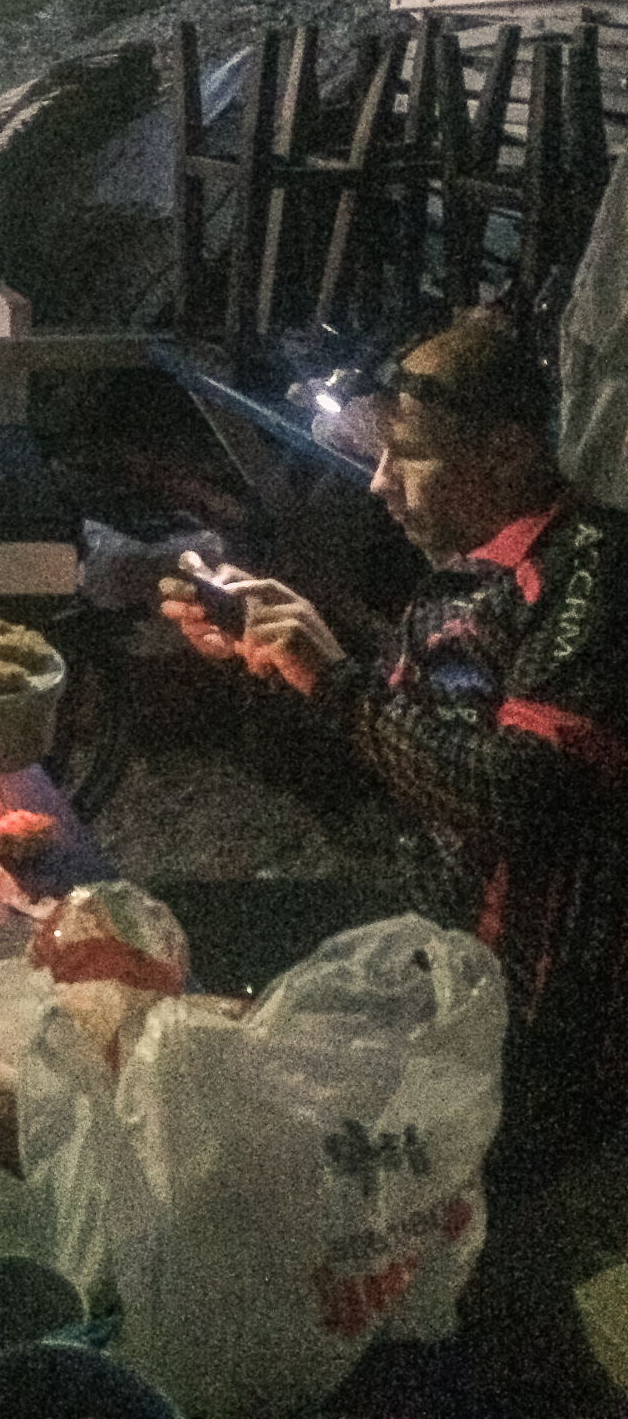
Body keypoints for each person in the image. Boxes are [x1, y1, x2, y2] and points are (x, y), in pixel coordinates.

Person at [159, 308, 628, 1205]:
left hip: (520, 1035)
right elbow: (386, 768)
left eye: (406, 456)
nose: (377, 483)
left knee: (243, 1125)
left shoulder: (594, 573)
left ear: (506, 452)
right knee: (159, 950)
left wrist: (339, 686)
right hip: (420, 947)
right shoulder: (468, 581)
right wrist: (281, 665)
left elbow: (513, 798)